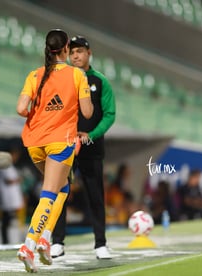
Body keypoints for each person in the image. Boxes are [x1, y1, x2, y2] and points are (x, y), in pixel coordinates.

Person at [15, 29, 93, 273]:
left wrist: (40, 116)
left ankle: (46, 238)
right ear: (67, 48)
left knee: (62, 187)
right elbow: (88, 112)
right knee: (49, 193)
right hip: (61, 141)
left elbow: (20, 109)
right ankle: (29, 245)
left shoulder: (34, 75)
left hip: (34, 142)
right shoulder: (77, 75)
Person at [51, 35, 116, 259]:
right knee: (60, 192)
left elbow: (109, 115)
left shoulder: (100, 81)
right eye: (72, 52)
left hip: (91, 147)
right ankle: (57, 242)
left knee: (95, 195)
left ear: (89, 53)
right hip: (66, 146)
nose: (76, 55)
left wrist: (91, 135)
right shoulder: (62, 79)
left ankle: (100, 244)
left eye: (80, 51)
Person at [0, 148, 24, 244]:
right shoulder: (4, 166)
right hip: (7, 199)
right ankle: (5, 241)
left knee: (11, 222)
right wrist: (18, 180)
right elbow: (8, 180)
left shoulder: (11, 167)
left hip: (12, 199)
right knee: (6, 221)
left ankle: (12, 240)